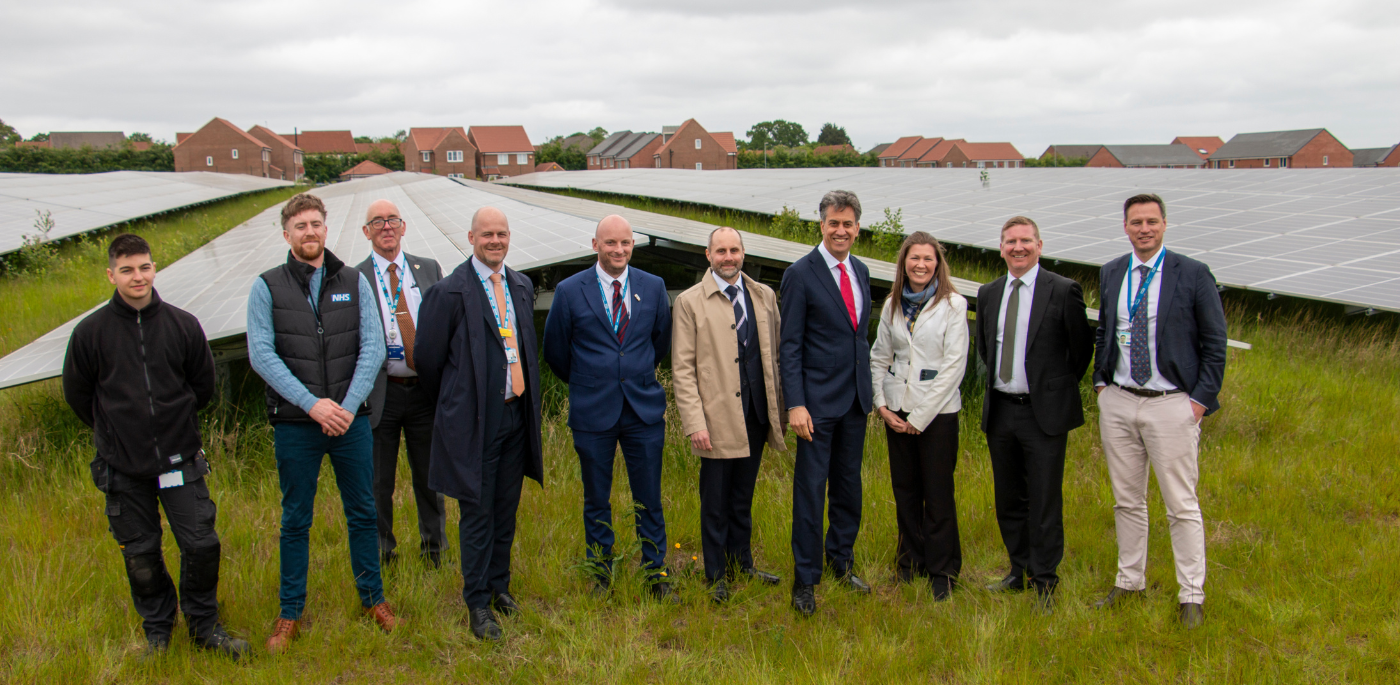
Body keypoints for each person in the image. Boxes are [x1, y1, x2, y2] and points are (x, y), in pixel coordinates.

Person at [62, 234, 248, 659]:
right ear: (111, 275)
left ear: (154, 269)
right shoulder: (91, 333)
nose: (137, 276)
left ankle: (204, 627)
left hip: (180, 459)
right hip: (122, 468)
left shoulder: (182, 325)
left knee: (201, 544)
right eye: (127, 270)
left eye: (144, 267)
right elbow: (78, 395)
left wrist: (171, 425)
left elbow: (203, 386)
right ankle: (158, 634)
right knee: (141, 556)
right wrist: (117, 432)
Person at [247, 193, 400, 653]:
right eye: (300, 226)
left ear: (325, 229)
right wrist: (313, 405)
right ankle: (290, 612)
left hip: (350, 423)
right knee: (296, 519)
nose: (309, 232)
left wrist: (347, 408)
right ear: (286, 234)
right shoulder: (266, 286)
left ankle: (372, 599)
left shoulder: (353, 281)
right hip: (297, 425)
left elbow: (373, 348)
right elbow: (262, 354)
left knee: (363, 512)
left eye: (316, 224)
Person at [1091, 193, 1227, 630]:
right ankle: (1129, 582)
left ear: (1164, 224)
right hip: (1120, 400)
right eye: (1136, 222)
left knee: (1180, 505)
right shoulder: (1113, 272)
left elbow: (1215, 343)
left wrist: (1199, 403)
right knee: (1127, 501)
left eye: (1151, 221)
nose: (1144, 229)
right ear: (1125, 227)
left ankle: (1191, 595)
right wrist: (1100, 383)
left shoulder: (1192, 274)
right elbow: (1105, 331)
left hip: (1172, 405)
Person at [415, 206, 544, 641]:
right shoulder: (448, 293)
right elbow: (429, 363)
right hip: (474, 421)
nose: (495, 241)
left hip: (515, 414)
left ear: (509, 237)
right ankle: (476, 602)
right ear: (470, 237)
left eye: (501, 234)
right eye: (486, 234)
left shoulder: (521, 285)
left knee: (505, 508)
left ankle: (499, 587)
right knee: (477, 512)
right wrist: (459, 404)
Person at [543, 214, 678, 603]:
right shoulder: (570, 291)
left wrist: (631, 374)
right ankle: (600, 572)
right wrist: (592, 380)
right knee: (596, 497)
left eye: (625, 243)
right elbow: (556, 351)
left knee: (649, 495)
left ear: (632, 245)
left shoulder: (653, 287)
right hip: (593, 410)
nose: (618, 250)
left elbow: (659, 342)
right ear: (595, 245)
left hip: (642, 411)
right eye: (610, 243)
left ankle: (655, 571)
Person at [975, 215, 1093, 613]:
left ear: (1040, 246)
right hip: (1002, 411)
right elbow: (986, 351)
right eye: (1010, 241)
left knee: (1043, 500)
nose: (1018, 247)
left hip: (1043, 414)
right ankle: (1018, 570)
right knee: (1009, 499)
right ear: (1001, 247)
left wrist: (1051, 388)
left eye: (1026, 241)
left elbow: (1080, 352)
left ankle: (1045, 581)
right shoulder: (989, 293)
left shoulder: (1063, 290)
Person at [672, 227, 786, 604]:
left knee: (742, 496)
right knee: (716, 500)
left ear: (743, 252)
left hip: (755, 413)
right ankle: (716, 574)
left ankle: (743, 565)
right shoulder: (690, 302)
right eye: (720, 250)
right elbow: (683, 369)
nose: (728, 257)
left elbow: (776, 357)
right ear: (708, 255)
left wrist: (779, 411)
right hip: (716, 418)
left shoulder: (764, 295)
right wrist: (695, 423)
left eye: (734, 249)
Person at [780, 190, 874, 616]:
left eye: (848, 223)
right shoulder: (801, 274)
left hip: (855, 402)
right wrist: (795, 404)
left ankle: (841, 562)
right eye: (834, 223)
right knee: (811, 492)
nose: (841, 230)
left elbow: (859, 336)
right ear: (821, 225)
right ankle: (805, 579)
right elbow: (790, 346)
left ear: (857, 227)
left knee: (848, 489)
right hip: (815, 407)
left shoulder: (862, 270)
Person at [869, 231, 968, 600]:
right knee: (906, 492)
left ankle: (943, 571)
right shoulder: (894, 302)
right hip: (896, 409)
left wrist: (920, 418)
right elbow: (879, 356)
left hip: (937, 413)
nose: (921, 265)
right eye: (914, 259)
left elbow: (954, 366)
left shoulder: (954, 305)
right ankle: (910, 563)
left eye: (928, 259)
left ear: (938, 264)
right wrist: (881, 405)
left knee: (938, 493)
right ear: (903, 263)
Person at [357, 199, 448, 568]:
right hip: (382, 393)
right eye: (377, 222)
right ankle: (384, 553)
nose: (386, 227)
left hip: (425, 391)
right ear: (367, 232)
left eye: (392, 219)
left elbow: (445, 323)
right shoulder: (355, 276)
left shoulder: (428, 269)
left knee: (430, 478)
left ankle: (435, 551)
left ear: (403, 226)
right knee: (379, 482)